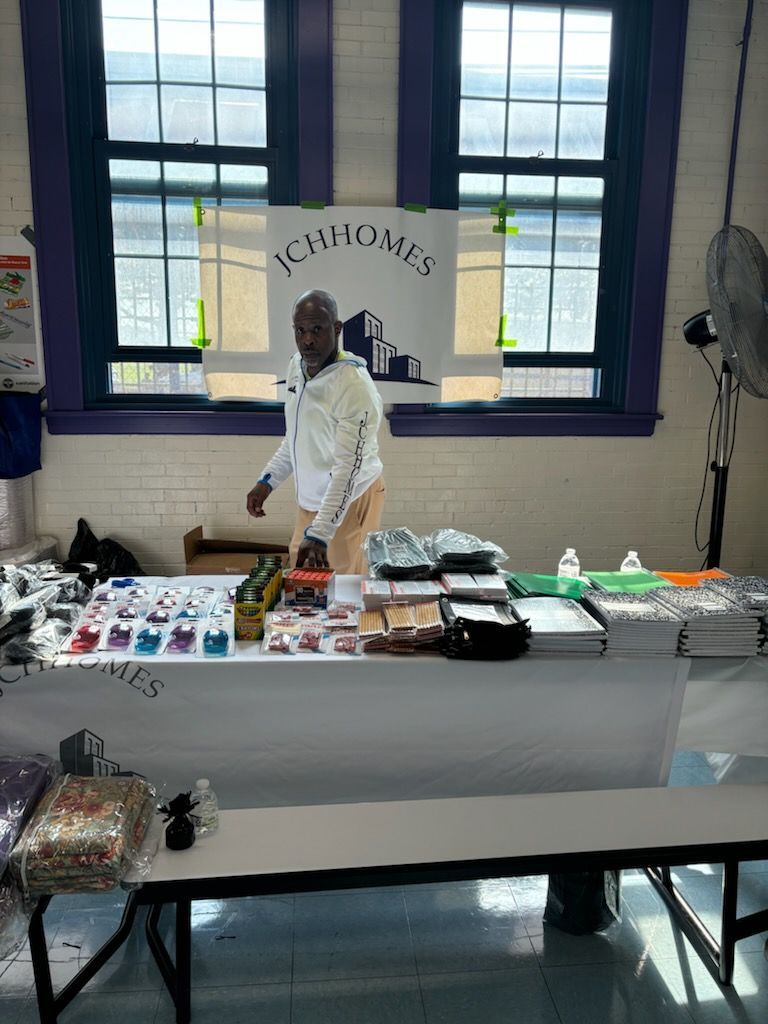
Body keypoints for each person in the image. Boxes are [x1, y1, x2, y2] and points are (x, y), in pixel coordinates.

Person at [246, 289, 385, 573]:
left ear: (337, 329)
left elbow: (349, 470)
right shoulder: (297, 366)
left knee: (343, 593)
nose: (307, 340)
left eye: (317, 330)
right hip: (312, 500)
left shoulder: (353, 385)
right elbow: (297, 437)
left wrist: (321, 532)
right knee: (302, 581)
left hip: (351, 496)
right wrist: (267, 481)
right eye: (300, 331)